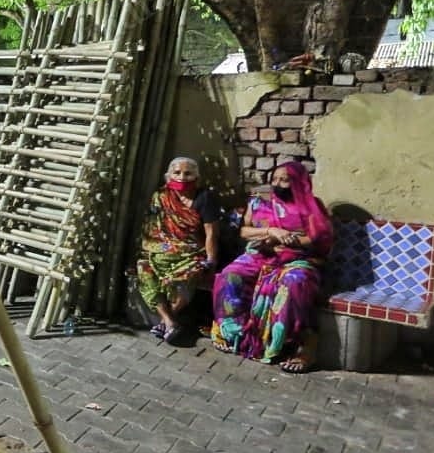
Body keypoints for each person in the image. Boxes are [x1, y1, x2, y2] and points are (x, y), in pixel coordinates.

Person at [211, 160, 332, 373]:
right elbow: (244, 231)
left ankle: (301, 347)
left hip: (296, 260)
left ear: (298, 182)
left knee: (294, 283)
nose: (277, 184)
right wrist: (271, 232)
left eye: (284, 180)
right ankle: (234, 332)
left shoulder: (311, 205)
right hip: (260, 255)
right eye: (274, 179)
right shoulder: (260, 203)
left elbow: (318, 237)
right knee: (230, 275)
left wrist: (286, 242)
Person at [135, 157, 220, 345]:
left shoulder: (204, 197)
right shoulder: (161, 196)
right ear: (168, 176)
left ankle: (167, 321)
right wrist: (155, 247)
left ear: (196, 177)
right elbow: (152, 228)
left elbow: (211, 233)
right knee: (143, 268)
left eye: (188, 173)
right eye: (177, 172)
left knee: (189, 274)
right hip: (161, 249)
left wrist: (211, 261)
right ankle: (169, 321)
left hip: (191, 251)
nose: (182, 177)